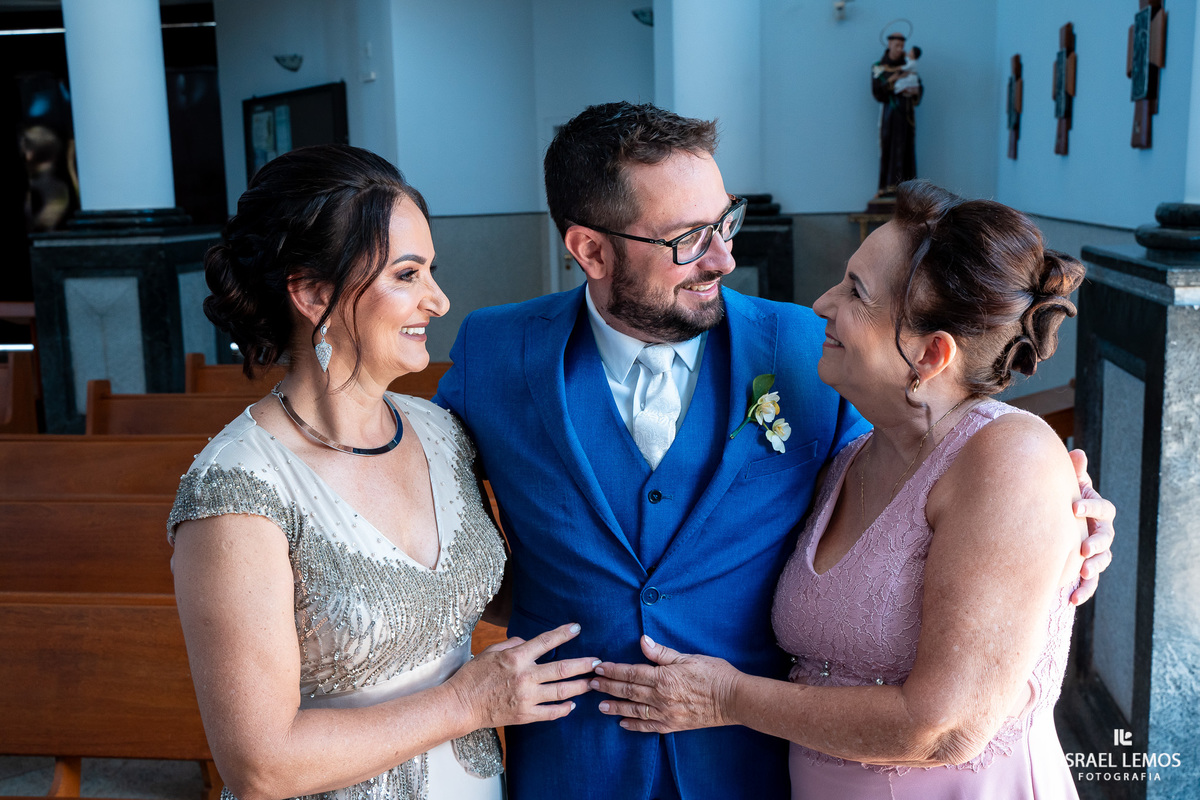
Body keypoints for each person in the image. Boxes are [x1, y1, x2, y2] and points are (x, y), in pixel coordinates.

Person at [433, 102, 1114, 799]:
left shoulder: (807, 354)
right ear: (591, 250)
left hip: (758, 764)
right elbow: (421, 529)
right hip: (574, 763)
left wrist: (1062, 517)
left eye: (726, 221)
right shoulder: (494, 352)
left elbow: (917, 494)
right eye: (690, 238)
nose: (725, 258)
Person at [591, 180, 1090, 799]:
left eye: (856, 293)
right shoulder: (850, 455)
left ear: (931, 354)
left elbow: (947, 728)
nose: (822, 304)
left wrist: (727, 697)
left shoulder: (1008, 458)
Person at [168, 144, 599, 800]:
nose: (439, 299)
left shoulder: (440, 432)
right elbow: (261, 766)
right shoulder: (237, 491)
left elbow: (498, 588)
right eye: (407, 275)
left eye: (431, 270)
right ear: (313, 293)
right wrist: (467, 706)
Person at [872, 33, 922, 197]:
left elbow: (919, 87)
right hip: (890, 115)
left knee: (906, 148)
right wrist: (893, 80)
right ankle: (887, 187)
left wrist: (914, 91)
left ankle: (908, 190)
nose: (900, 49)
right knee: (889, 147)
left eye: (902, 46)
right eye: (896, 45)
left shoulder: (908, 65)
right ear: (889, 45)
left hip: (906, 114)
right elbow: (877, 91)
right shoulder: (879, 67)